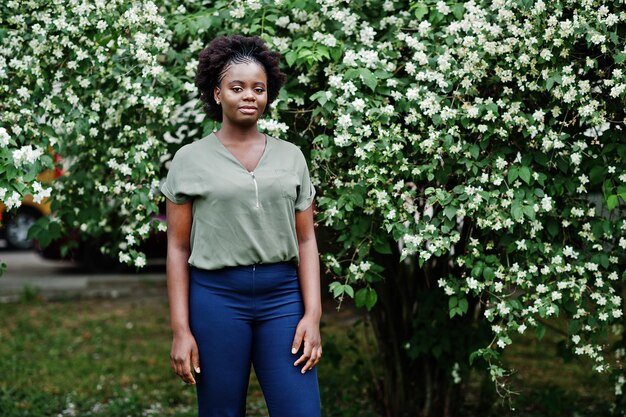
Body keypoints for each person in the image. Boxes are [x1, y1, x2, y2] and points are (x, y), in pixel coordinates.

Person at [160, 35, 322, 417]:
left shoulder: (292, 156)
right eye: (238, 87)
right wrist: (181, 330)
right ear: (217, 94)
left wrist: (312, 315)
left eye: (258, 88)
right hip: (216, 300)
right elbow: (177, 249)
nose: (249, 95)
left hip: (282, 300)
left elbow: (307, 240)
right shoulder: (189, 160)